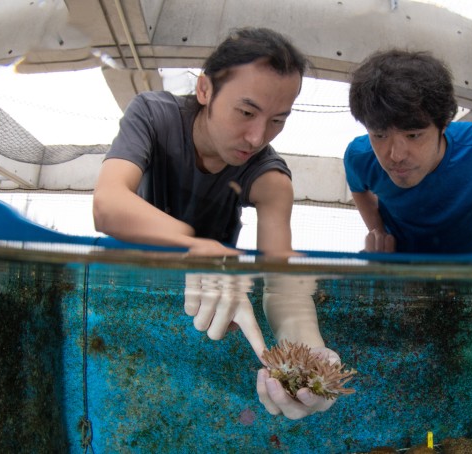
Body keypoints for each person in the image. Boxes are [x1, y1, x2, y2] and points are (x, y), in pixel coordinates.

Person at [93, 27, 338, 418]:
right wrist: (198, 247)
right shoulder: (153, 115)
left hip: (218, 307)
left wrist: (312, 358)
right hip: (142, 279)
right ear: (205, 90)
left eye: (277, 120)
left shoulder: (271, 179)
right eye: (246, 112)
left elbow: (284, 288)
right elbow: (108, 204)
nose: (258, 137)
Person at [344, 49, 472, 335]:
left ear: (444, 124)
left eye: (413, 135)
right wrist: (379, 232)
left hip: (467, 277)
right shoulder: (359, 156)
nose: (395, 155)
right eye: (380, 135)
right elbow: (359, 190)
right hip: (399, 275)